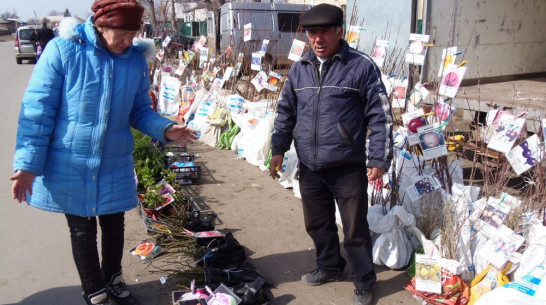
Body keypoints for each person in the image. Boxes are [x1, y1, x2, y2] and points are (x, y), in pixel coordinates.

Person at [10, 1, 197, 305]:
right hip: (70, 160)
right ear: (101, 25)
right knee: (82, 229)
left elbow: (139, 111)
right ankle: (94, 289)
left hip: (113, 160)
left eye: (132, 34)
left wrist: (164, 128)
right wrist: (28, 165)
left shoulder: (135, 60)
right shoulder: (63, 51)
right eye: (121, 33)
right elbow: (37, 112)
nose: (127, 41)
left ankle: (114, 278)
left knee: (113, 224)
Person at [269, 4, 393, 305]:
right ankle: (329, 266)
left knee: (353, 228)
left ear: (340, 32)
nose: (318, 39)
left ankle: (363, 281)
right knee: (317, 224)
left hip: (346, 165)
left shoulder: (361, 67)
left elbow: (380, 115)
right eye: (312, 33)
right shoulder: (300, 69)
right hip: (310, 165)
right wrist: (278, 149)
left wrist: (379, 159)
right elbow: (285, 111)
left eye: (325, 32)